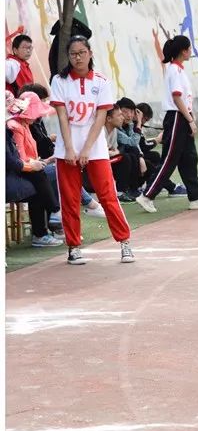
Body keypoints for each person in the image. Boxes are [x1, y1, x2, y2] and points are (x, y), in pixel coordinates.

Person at [49, 36, 133, 264]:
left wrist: (86, 148)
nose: (78, 57)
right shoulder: (60, 80)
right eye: (73, 53)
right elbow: (63, 116)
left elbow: (100, 117)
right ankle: (74, 247)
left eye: (82, 52)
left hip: (95, 148)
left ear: (90, 53)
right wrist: (69, 148)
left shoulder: (102, 81)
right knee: (69, 198)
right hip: (66, 148)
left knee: (107, 195)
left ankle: (124, 242)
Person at [136, 35, 198, 213]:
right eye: (189, 49)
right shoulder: (173, 70)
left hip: (181, 117)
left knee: (189, 158)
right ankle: (147, 195)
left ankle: (195, 197)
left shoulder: (179, 70)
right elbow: (177, 97)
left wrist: (189, 118)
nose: (190, 52)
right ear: (183, 51)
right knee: (170, 159)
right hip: (177, 118)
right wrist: (190, 120)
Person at [20, 82, 104, 218]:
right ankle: (85, 205)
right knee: (60, 169)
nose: (44, 106)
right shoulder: (23, 124)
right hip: (31, 166)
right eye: (42, 101)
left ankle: (63, 220)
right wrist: (50, 153)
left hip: (39, 162)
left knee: (64, 166)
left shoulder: (37, 121)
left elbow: (42, 144)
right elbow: (33, 150)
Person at [6, 91, 63, 247]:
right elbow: (16, 161)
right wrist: (35, 165)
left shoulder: (24, 126)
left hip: (22, 169)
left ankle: (50, 223)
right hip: (11, 175)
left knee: (50, 172)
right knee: (44, 177)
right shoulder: (13, 127)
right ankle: (55, 215)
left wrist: (43, 161)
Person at [134, 101, 186, 197]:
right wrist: (157, 140)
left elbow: (140, 144)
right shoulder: (134, 125)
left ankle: (155, 184)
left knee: (155, 156)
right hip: (131, 155)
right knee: (149, 164)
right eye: (145, 119)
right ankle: (170, 187)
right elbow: (141, 146)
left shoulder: (135, 125)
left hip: (134, 153)